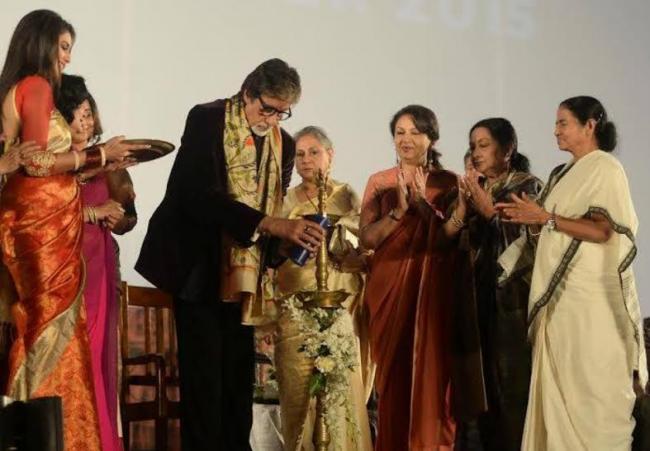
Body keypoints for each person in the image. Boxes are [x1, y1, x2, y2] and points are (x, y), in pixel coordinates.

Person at [135, 59, 325, 450]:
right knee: (205, 388)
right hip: (199, 267)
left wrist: (288, 241)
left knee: (238, 388)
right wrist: (269, 224)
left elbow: (272, 209)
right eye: (267, 109)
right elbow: (195, 195)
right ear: (248, 92)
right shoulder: (208, 118)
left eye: (282, 113)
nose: (272, 120)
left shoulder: (285, 144)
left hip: (246, 280)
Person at [0, 10, 145, 450]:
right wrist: (99, 156)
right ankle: (56, 437)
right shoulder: (37, 86)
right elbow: (37, 162)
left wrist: (97, 163)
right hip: (39, 223)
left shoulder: (18, 88)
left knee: (44, 325)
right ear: (42, 44)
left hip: (36, 219)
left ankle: (45, 431)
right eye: (63, 47)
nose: (66, 57)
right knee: (51, 327)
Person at [497, 96, 647, 450]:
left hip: (590, 304)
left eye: (563, 122)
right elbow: (549, 229)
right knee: (559, 391)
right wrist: (532, 221)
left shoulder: (606, 168)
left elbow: (604, 231)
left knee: (591, 393)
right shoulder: (561, 174)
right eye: (556, 123)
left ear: (590, 125)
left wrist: (545, 218)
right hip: (559, 305)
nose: (555, 131)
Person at [360, 105, 483, 450]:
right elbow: (367, 239)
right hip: (388, 288)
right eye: (400, 132)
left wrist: (441, 209)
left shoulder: (448, 182)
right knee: (393, 379)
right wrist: (399, 211)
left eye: (415, 132)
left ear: (432, 138)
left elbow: (446, 238)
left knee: (433, 376)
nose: (406, 140)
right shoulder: (380, 182)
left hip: (432, 289)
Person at [273, 126, 373, 451]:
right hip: (294, 309)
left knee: (340, 390)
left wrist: (337, 234)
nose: (306, 160)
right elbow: (272, 253)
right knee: (298, 391)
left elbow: (363, 242)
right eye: (299, 154)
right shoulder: (284, 200)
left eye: (314, 152)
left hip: (339, 306)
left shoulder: (346, 195)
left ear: (330, 155)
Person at [456, 118, 542, 451]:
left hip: (512, 303)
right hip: (475, 299)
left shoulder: (526, 187)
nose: (477, 153)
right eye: (473, 146)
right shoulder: (472, 189)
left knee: (511, 388)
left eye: (484, 145)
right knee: (480, 390)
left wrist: (489, 212)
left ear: (507, 150)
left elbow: (528, 244)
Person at [57, 73, 128, 451]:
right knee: (70, 355)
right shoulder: (52, 162)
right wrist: (92, 213)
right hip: (64, 266)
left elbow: (128, 217)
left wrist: (118, 218)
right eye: (78, 116)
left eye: (89, 114)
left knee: (97, 355)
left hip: (99, 266)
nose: (86, 123)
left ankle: (100, 438)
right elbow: (45, 214)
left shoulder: (108, 161)